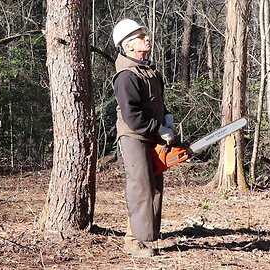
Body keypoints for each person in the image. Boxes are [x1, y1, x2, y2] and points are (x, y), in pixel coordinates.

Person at [111, 19, 177, 257]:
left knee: (155, 187)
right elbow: (132, 115)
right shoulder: (126, 76)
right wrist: (157, 128)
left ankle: (147, 237)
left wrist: (166, 118)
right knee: (141, 187)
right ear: (128, 45)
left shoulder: (151, 71)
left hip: (152, 133)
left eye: (144, 35)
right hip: (134, 136)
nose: (146, 39)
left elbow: (159, 102)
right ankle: (132, 241)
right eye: (140, 37)